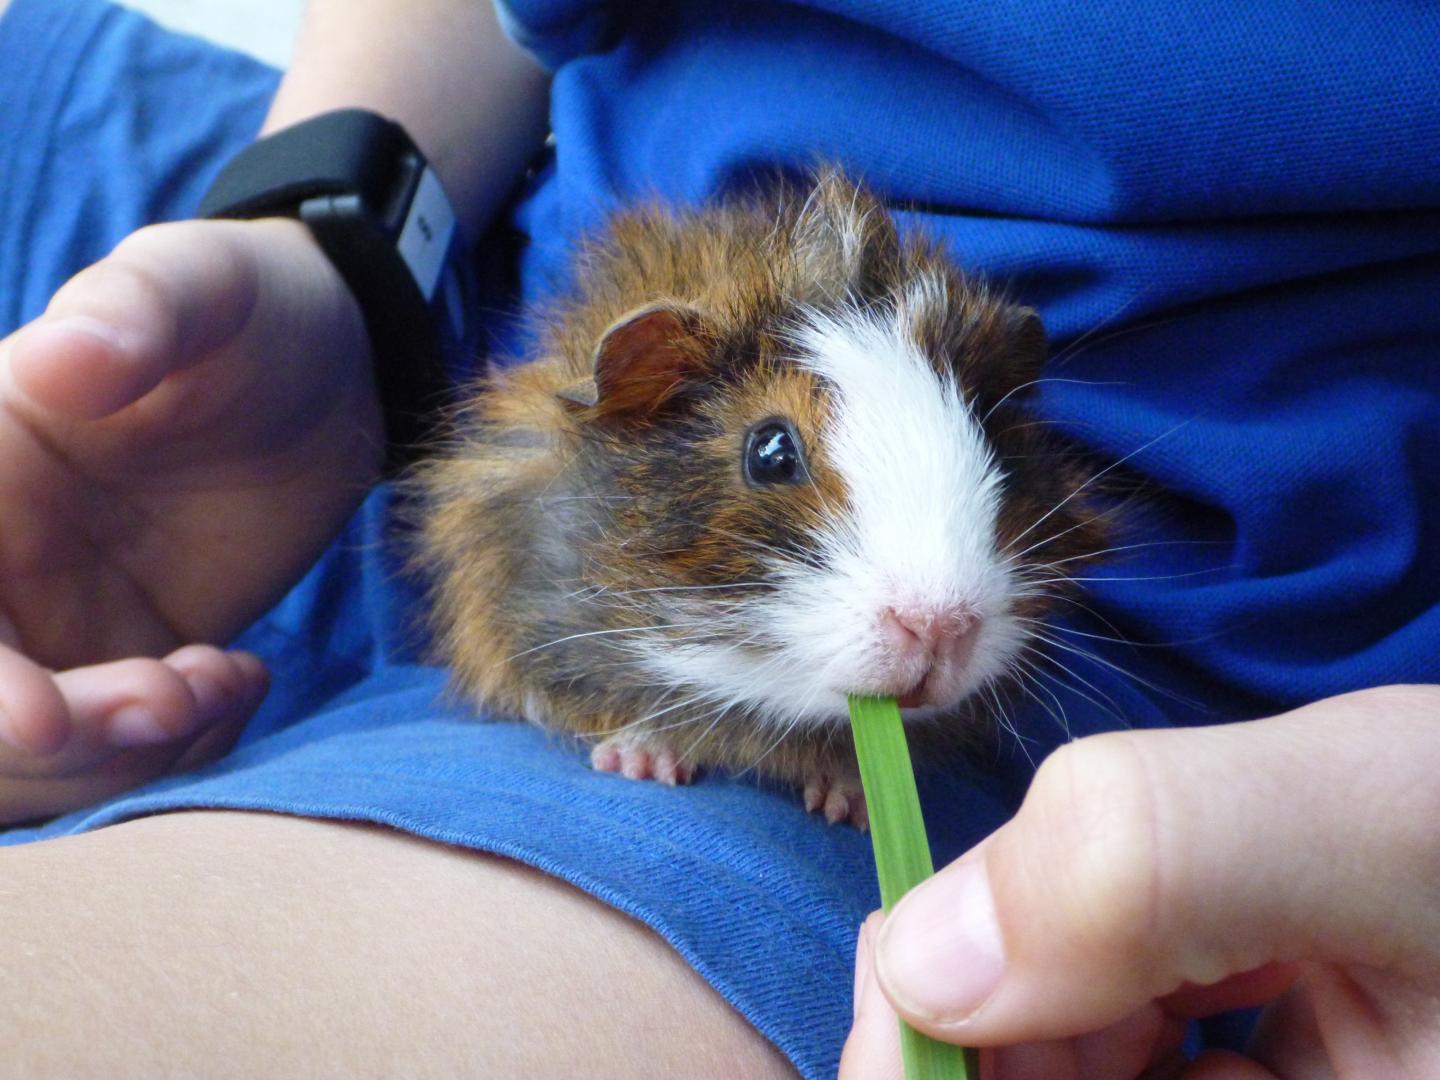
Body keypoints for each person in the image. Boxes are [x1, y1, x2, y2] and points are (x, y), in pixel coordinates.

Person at [0, 0, 1436, 1076]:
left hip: (1208, 697)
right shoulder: (573, 459)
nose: (932, 606)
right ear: (644, 393)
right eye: (777, 456)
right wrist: (339, 231)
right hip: (444, 232)